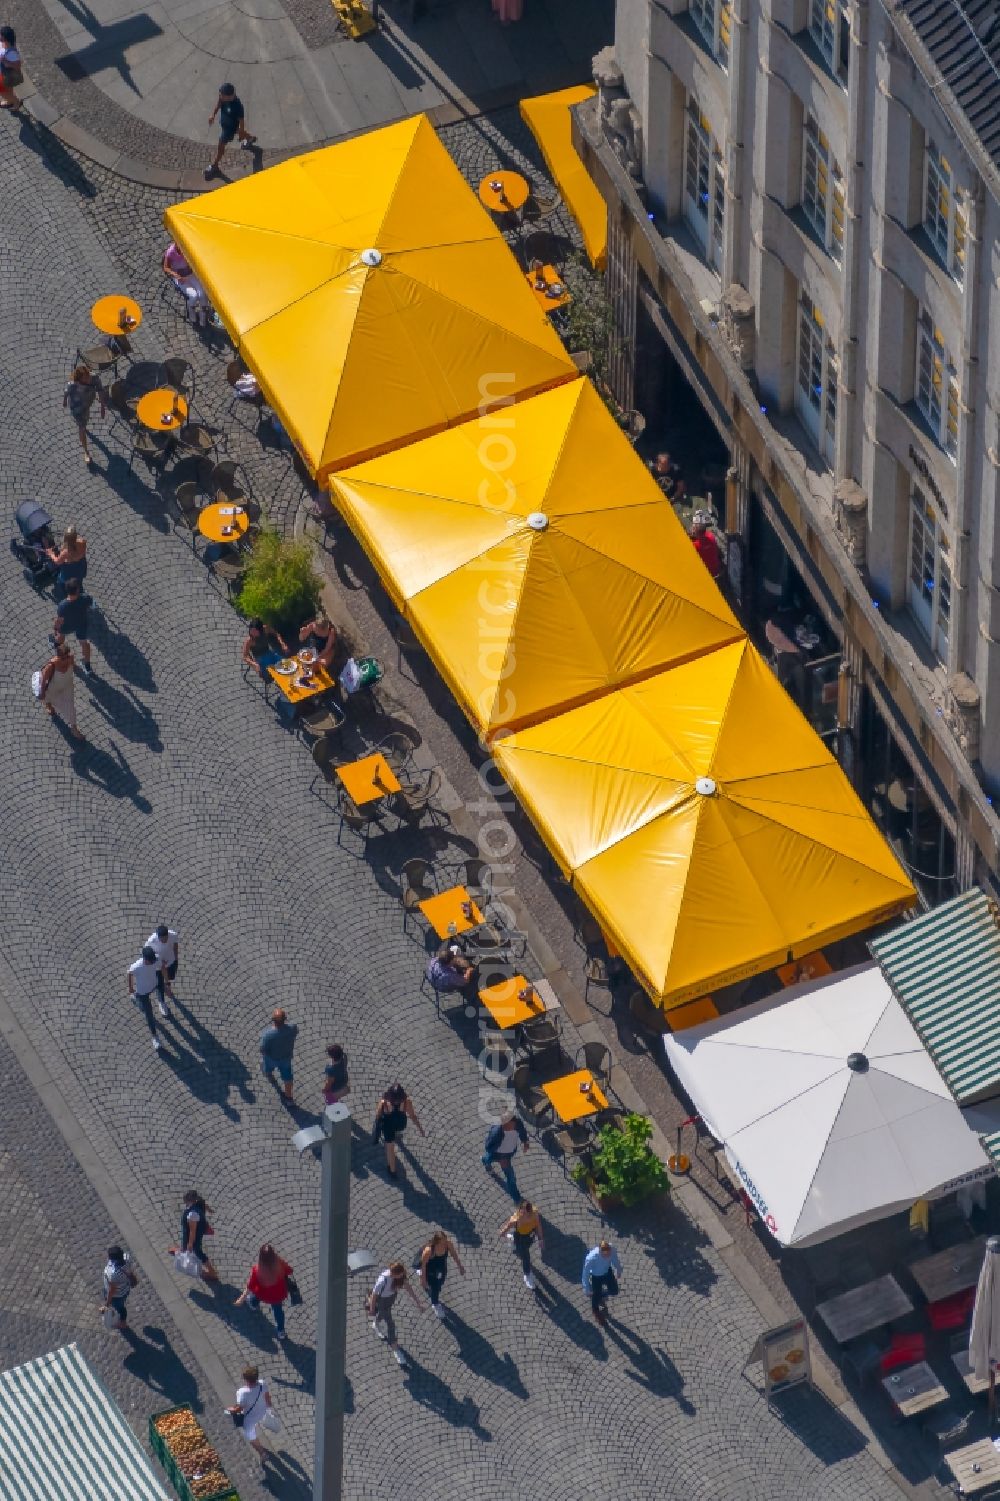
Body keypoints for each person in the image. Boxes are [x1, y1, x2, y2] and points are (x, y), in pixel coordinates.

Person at [367, 1261, 422, 1366]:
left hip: (391, 1298)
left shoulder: (400, 1276)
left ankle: (376, 1323)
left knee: (383, 1314)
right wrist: (372, 1309)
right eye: (400, 1275)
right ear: (394, 1274)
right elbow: (374, 1296)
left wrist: (418, 1303)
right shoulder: (382, 1280)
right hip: (382, 1301)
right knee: (390, 1324)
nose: (402, 1276)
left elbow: (408, 1288)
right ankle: (396, 1350)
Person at [235, 1243, 293, 1339]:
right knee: (278, 1311)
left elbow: (250, 1286)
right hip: (278, 1294)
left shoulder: (257, 1270)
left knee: (255, 1295)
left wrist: (241, 1298)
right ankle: (281, 1331)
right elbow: (289, 1270)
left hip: (263, 1293)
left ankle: (253, 1305)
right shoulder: (279, 1263)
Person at [226, 1365, 274, 1468]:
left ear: (245, 1379)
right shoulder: (262, 1384)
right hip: (263, 1412)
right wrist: (269, 1410)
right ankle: (263, 1452)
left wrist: (230, 1409)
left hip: (250, 1419)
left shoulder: (242, 1393)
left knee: (251, 1437)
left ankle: (262, 1453)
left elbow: (239, 1409)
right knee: (260, 1423)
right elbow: (267, 1398)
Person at [205, 83, 256, 179]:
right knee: (239, 132)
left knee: (221, 147)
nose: (220, 96)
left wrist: (241, 133)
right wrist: (213, 115)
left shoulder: (238, 106)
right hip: (226, 124)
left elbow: (241, 122)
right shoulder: (222, 98)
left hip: (229, 130)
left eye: (222, 95)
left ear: (229, 96)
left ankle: (215, 166)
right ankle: (250, 138)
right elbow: (218, 105)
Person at [373, 1083, 424, 1177]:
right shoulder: (406, 1102)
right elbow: (413, 1116)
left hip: (388, 1125)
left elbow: (378, 1115)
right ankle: (397, 1135)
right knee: (396, 1132)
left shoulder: (384, 1103)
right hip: (400, 1124)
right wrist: (420, 1129)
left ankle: (392, 1171)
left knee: (390, 1147)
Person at [39, 640, 83, 739]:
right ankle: (49, 706)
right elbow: (44, 679)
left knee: (70, 706)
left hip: (67, 686)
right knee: (48, 697)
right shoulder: (51, 665)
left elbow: (74, 666)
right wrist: (41, 692)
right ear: (59, 656)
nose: (66, 659)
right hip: (54, 688)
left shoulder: (70, 658)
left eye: (67, 656)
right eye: (64, 657)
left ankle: (74, 728)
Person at [170, 1190, 218, 1280]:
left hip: (194, 1235)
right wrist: (209, 1210)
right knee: (191, 1248)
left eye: (185, 1200)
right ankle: (181, 1250)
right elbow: (205, 1205)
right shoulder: (198, 1201)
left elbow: (192, 1231)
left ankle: (212, 1273)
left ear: (189, 1200)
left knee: (198, 1252)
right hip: (194, 1231)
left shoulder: (192, 1214)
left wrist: (190, 1244)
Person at [63, 364, 106, 467]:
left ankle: (83, 427)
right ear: (79, 379)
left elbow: (100, 390)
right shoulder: (73, 384)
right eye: (85, 378)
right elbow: (66, 391)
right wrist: (64, 401)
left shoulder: (94, 377)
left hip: (88, 403)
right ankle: (86, 452)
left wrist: (102, 407)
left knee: (85, 421)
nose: (88, 379)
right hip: (77, 408)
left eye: (88, 376)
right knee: (82, 428)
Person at [129, 944, 168, 1050]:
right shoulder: (137, 966)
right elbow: (129, 973)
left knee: (147, 1006)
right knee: (149, 1014)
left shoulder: (155, 959)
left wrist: (167, 983)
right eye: (151, 961)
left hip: (153, 985)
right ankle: (155, 1037)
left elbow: (162, 967)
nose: (153, 963)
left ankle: (136, 997)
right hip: (143, 992)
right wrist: (130, 988)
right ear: (145, 959)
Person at [161, 242, 210, 327]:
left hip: (191, 274)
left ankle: (203, 315)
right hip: (180, 277)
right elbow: (166, 268)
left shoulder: (188, 246)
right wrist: (176, 275)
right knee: (194, 295)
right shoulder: (171, 252)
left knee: (202, 293)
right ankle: (191, 312)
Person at [482, 1110, 529, 1197]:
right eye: (503, 1124)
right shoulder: (497, 1132)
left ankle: (485, 1160)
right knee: (511, 1178)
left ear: (513, 1122)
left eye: (507, 1124)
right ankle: (518, 1200)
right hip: (499, 1155)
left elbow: (522, 1131)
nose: (504, 1126)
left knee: (488, 1159)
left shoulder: (518, 1124)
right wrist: (501, 1159)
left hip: (509, 1153)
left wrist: (525, 1142)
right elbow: (488, 1146)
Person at [419, 1231, 464, 1320]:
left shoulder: (448, 1244)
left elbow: (454, 1254)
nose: (443, 1243)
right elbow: (423, 1265)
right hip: (430, 1271)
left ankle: (433, 1290)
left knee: (440, 1282)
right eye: (441, 1242)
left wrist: (460, 1266)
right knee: (435, 1288)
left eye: (444, 1241)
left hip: (441, 1269)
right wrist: (423, 1279)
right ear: (436, 1242)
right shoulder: (429, 1250)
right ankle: (435, 1304)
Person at [499, 1200, 544, 1290]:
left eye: (527, 1214)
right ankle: (527, 1275)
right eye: (522, 1213)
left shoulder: (534, 1214)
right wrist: (503, 1233)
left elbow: (538, 1226)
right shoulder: (516, 1219)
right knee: (526, 1257)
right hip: (521, 1237)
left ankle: (512, 1239)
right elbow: (508, 1226)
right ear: (520, 1211)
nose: (526, 1216)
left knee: (526, 1246)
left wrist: (541, 1239)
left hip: (530, 1235)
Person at [53, 578, 93, 673]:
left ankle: (59, 649)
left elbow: (59, 621)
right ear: (77, 590)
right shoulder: (85, 598)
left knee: (61, 635)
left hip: (68, 626)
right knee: (84, 643)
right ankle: (87, 666)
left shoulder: (63, 605)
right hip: (81, 623)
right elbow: (91, 604)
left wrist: (55, 629)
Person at [582, 1239, 622, 1325]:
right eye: (605, 1255)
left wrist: (618, 1269)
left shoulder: (611, 1250)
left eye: (609, 1254)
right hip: (596, 1276)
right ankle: (596, 1311)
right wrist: (587, 1288)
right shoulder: (591, 1258)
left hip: (607, 1272)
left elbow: (615, 1259)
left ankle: (601, 1296)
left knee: (614, 1291)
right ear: (600, 1252)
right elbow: (585, 1274)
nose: (608, 1256)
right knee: (595, 1297)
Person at [260, 1008, 297, 1100]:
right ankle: (289, 1098)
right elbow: (295, 1032)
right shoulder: (292, 1028)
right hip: (286, 1058)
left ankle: (269, 1074)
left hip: (272, 1058)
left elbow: (262, 1049)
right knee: (288, 1078)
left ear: (273, 1021)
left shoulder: (268, 1035)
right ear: (285, 1019)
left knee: (267, 1067)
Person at [45, 524, 88, 600]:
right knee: (79, 579)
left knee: (62, 580)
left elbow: (57, 561)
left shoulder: (65, 552)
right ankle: (79, 588)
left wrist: (51, 554)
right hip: (81, 565)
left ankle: (67, 592)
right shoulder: (82, 542)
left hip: (69, 570)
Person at [101, 1245, 137, 1331]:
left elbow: (112, 1290)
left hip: (117, 1295)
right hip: (125, 1289)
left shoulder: (113, 1273)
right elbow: (130, 1272)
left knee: (120, 1308)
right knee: (120, 1305)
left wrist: (107, 1303)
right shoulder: (126, 1258)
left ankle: (123, 1323)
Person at [147, 924, 179, 1007]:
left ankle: (166, 984)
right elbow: (149, 954)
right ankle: (161, 1002)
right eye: (162, 939)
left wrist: (176, 957)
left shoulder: (173, 935)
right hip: (158, 967)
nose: (164, 940)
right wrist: (160, 961)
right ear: (158, 936)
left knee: (171, 977)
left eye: (165, 938)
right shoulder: (151, 941)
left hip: (171, 962)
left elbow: (175, 944)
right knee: (159, 984)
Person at [0, 26, 22, 109]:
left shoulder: (12, 53)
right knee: (7, 91)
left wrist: (5, 61)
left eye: (1, 36)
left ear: (6, 38)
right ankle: (10, 101)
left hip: (5, 76)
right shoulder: (3, 44)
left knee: (4, 92)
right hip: (3, 74)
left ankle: (16, 103)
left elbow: (17, 66)